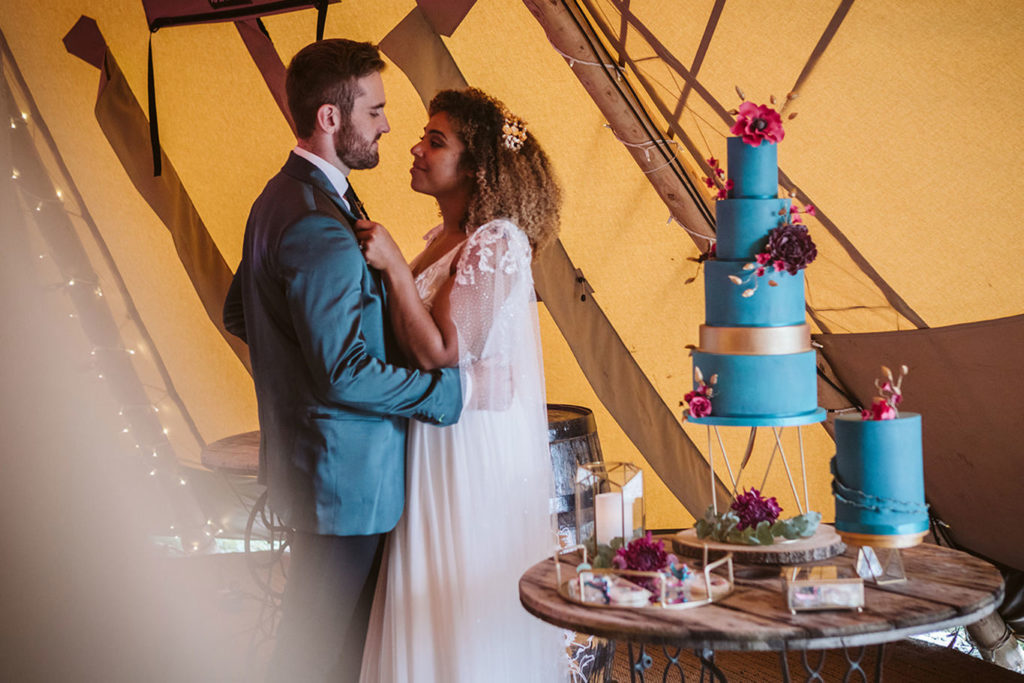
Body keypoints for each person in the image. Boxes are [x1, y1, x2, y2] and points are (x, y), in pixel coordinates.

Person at [222, 39, 462, 683]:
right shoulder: (315, 223)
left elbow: (240, 312)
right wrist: (436, 393)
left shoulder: (281, 199)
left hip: (320, 471)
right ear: (331, 118)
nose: (387, 124)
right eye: (375, 110)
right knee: (320, 656)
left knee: (323, 650)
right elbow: (345, 371)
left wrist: (292, 376)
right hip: (345, 482)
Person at [356, 88, 565, 682]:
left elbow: (443, 352)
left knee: (455, 593)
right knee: (421, 593)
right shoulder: (439, 240)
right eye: (423, 136)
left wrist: (394, 267)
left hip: (463, 449)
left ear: (475, 166)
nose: (416, 148)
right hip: (428, 434)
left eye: (435, 141)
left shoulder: (495, 241)